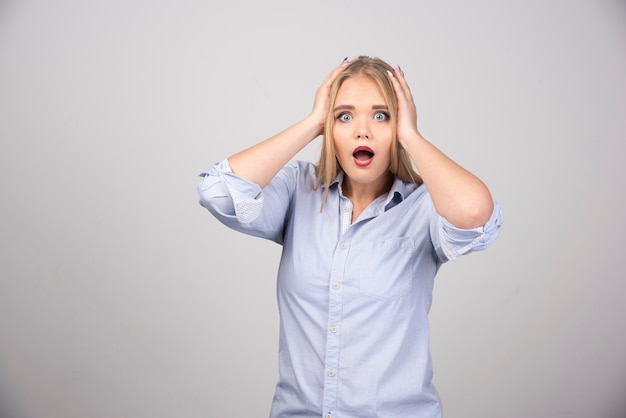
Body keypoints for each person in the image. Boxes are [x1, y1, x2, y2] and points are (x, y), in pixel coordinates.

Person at [197, 56, 503, 418]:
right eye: (344, 116)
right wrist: (312, 123)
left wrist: (411, 136)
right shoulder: (300, 189)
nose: (362, 131)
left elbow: (475, 215)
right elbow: (217, 192)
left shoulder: (424, 206)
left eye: (381, 115)